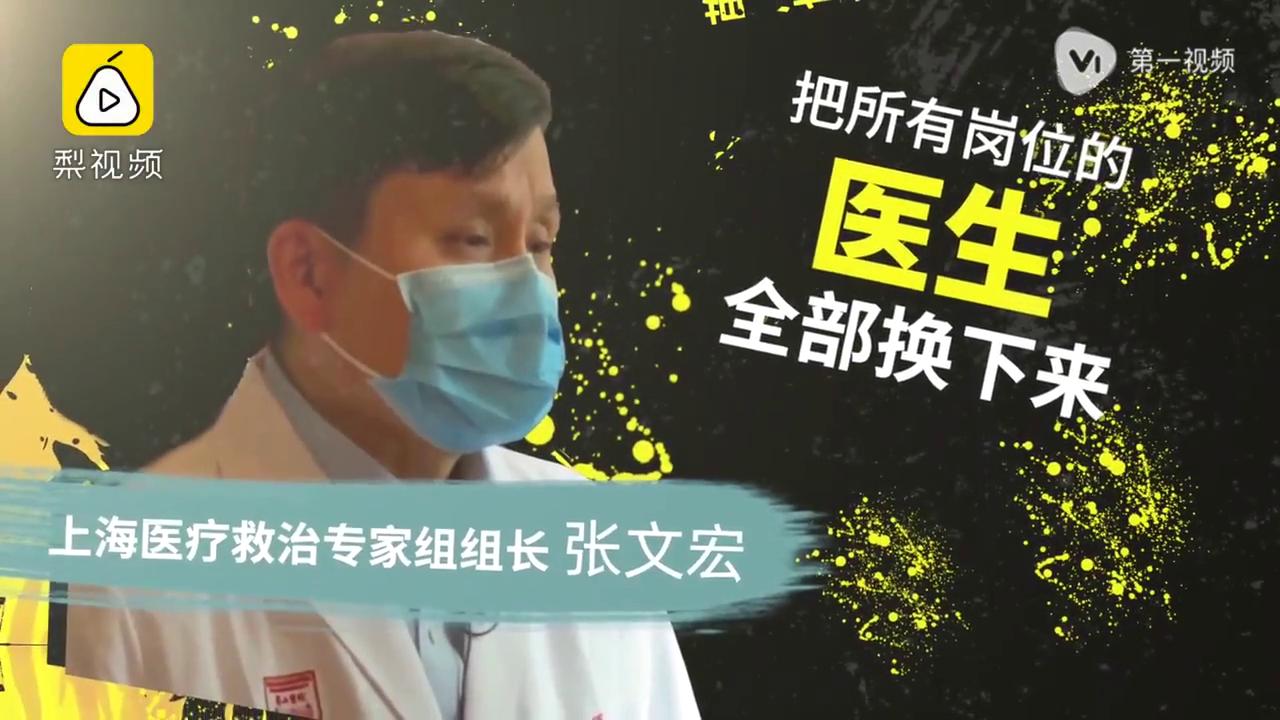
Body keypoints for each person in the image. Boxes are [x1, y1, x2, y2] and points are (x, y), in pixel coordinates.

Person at [64, 30, 701, 720]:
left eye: (541, 243)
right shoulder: (131, 585)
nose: (527, 288)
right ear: (309, 273)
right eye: (474, 239)